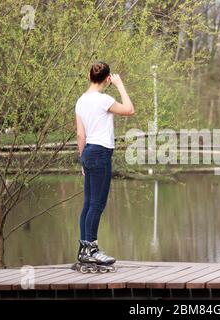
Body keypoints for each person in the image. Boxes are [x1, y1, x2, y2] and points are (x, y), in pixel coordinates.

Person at [73, 62, 135, 272]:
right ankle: (92, 249)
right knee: (97, 204)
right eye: (111, 79)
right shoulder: (104, 99)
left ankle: (84, 249)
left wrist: (83, 159)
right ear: (107, 78)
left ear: (90, 76)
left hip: (89, 151)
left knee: (88, 203)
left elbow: (80, 134)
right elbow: (129, 110)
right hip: (100, 153)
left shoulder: (81, 101)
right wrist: (120, 85)